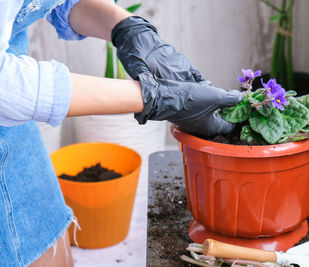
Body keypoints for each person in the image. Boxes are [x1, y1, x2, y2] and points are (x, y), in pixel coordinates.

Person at [0, 0, 243, 266]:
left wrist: (127, 28)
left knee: (54, 254)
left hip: (13, 126)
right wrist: (151, 97)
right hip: (10, 100)